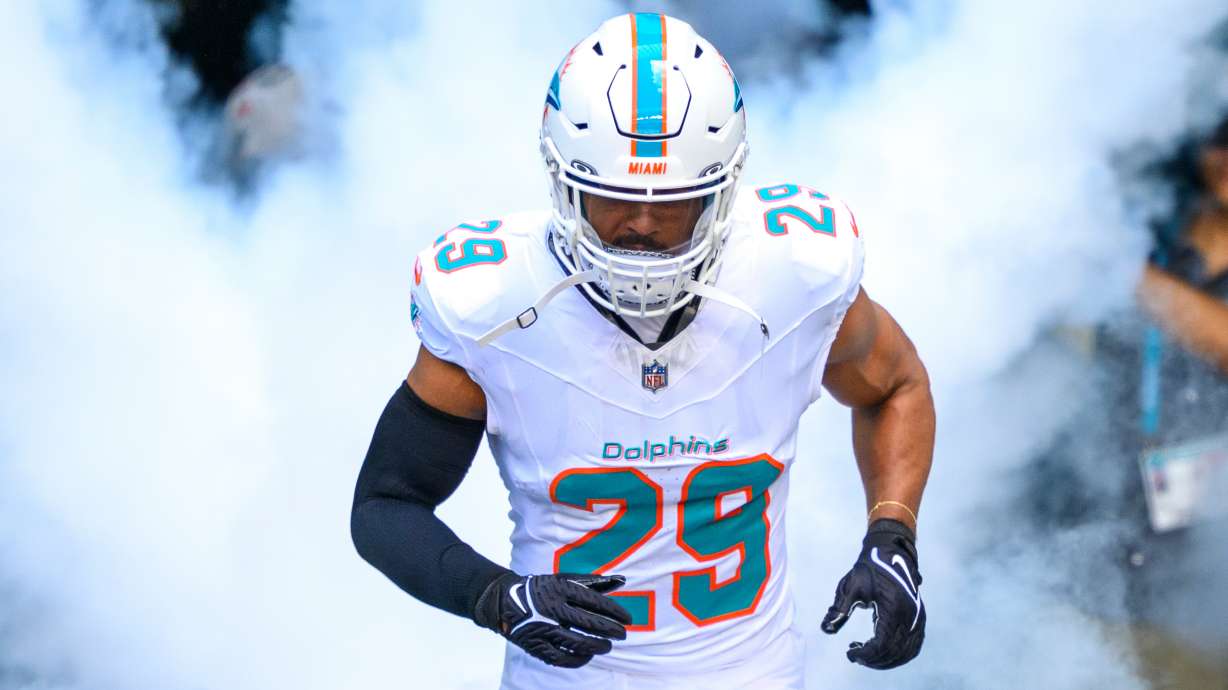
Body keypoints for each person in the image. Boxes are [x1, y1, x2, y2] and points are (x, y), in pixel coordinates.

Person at [350, 13, 935, 689]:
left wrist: (892, 536)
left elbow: (897, 387)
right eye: (613, 199)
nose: (644, 227)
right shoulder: (493, 304)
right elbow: (385, 505)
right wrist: (496, 597)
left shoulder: (794, 272)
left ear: (723, 189)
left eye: (675, 204)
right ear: (563, 182)